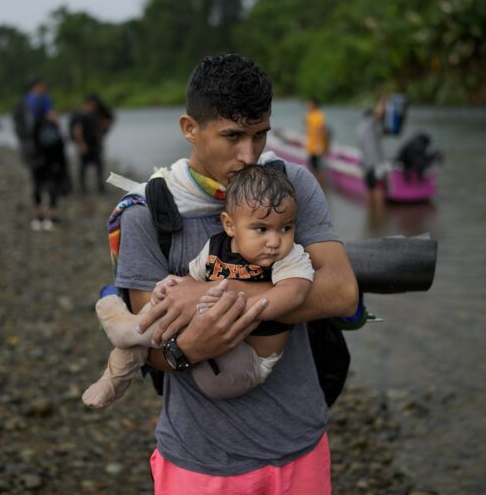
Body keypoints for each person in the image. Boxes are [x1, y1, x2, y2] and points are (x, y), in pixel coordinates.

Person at [106, 54, 358, 493]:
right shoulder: (147, 215)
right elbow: (151, 345)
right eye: (233, 136)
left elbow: (340, 293)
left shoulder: (290, 186)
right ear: (190, 128)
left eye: (260, 135)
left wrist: (204, 295)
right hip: (200, 461)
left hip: (300, 445)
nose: (248, 155)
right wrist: (189, 348)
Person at [83, 163, 314, 408]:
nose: (275, 241)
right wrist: (172, 285)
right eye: (261, 229)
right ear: (230, 225)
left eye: (286, 228)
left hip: (247, 365)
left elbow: (293, 293)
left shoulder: (290, 258)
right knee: (167, 310)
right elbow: (192, 285)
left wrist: (234, 305)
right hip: (212, 340)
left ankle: (128, 327)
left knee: (182, 320)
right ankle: (113, 377)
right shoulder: (215, 247)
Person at [30, 110, 68, 231]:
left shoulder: (40, 127)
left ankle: (43, 215)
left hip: (40, 162)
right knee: (49, 189)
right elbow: (58, 147)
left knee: (41, 188)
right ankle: (47, 215)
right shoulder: (49, 129)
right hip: (48, 164)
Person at [70, 94, 113, 193]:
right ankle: (82, 188)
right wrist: (81, 144)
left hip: (94, 144)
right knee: (83, 167)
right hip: (85, 144)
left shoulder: (94, 115)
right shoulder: (80, 115)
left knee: (99, 166)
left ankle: (100, 187)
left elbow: (98, 131)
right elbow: (77, 130)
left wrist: (101, 143)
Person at [358, 95, 387, 216]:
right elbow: (379, 112)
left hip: (366, 164)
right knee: (379, 188)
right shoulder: (371, 123)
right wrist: (382, 101)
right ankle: (379, 216)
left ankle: (371, 215)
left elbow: (379, 136)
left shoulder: (361, 128)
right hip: (376, 164)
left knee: (370, 188)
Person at [304, 98, 328, 180]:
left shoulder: (319, 115)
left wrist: (324, 145)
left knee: (318, 169)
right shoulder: (309, 115)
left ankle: (322, 187)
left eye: (310, 104)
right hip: (311, 146)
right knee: (313, 167)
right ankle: (318, 183)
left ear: (315, 105)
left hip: (317, 147)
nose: (308, 106)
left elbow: (322, 130)